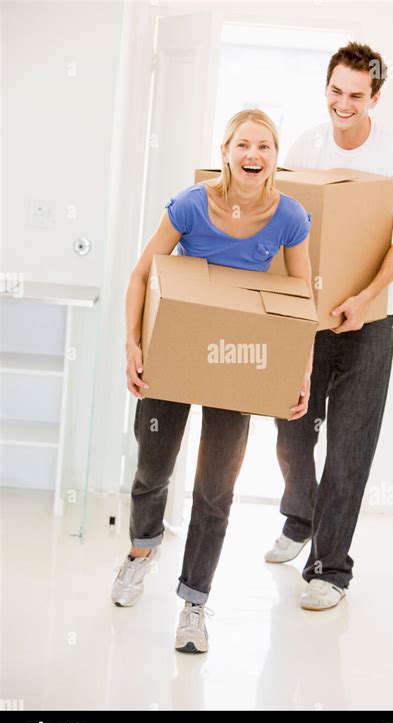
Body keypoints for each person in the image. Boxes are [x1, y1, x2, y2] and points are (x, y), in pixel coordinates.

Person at [111, 109, 314, 653]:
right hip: (174, 356)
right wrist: (132, 343)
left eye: (265, 146)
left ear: (276, 157)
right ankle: (140, 551)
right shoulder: (191, 204)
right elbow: (140, 273)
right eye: (243, 144)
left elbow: (301, 303)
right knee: (154, 466)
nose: (254, 155)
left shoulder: (290, 217)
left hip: (238, 363)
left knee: (216, 488)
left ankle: (195, 601)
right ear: (225, 151)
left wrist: (301, 372)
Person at [265, 42, 393, 611]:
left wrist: (365, 297)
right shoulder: (306, 144)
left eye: (356, 95)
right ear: (326, 87)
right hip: (311, 315)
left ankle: (330, 568)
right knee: (292, 425)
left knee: (350, 442)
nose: (343, 104)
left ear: (374, 97)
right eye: (336, 91)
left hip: (370, 318)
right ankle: (299, 515)